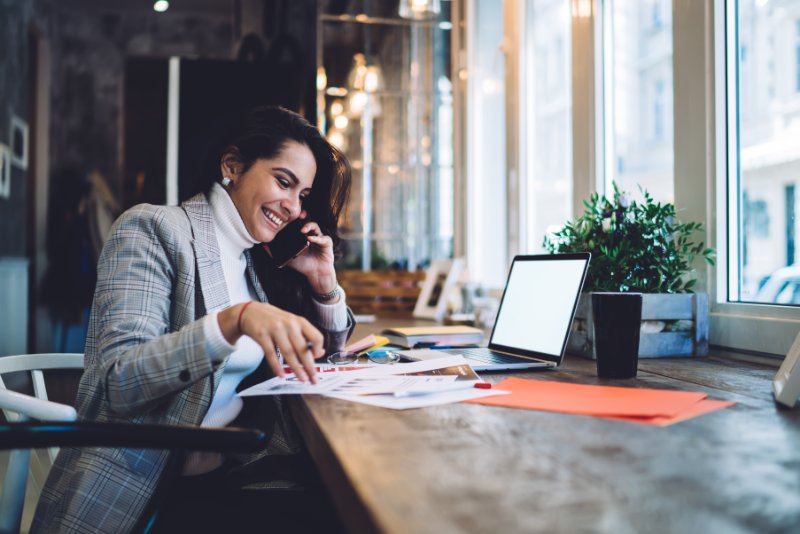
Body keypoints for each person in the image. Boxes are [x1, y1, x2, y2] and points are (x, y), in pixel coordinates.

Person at [32, 106, 354, 533]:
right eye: (283, 182)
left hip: (234, 471)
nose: (294, 207)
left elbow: (324, 357)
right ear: (232, 166)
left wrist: (323, 284)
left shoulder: (253, 262)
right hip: (150, 491)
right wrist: (232, 321)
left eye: (303, 195)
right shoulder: (152, 229)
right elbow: (116, 382)